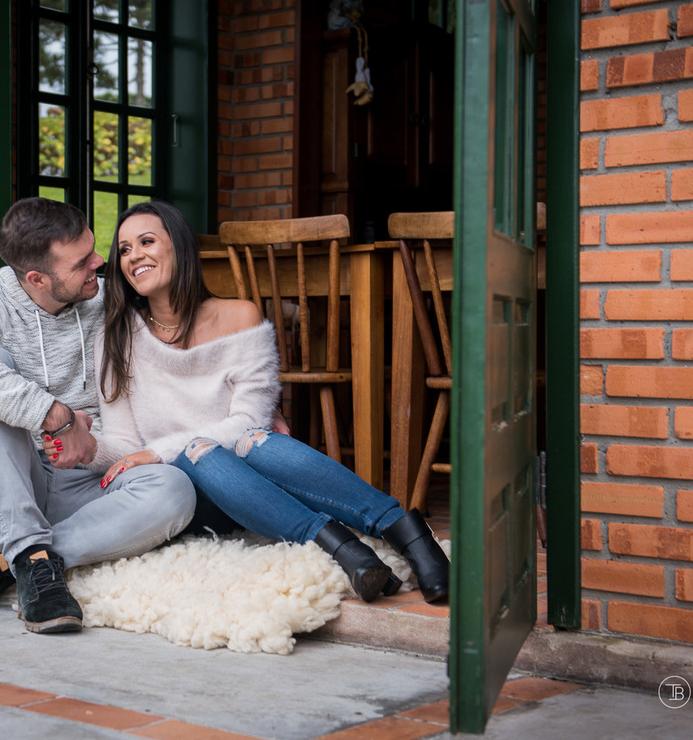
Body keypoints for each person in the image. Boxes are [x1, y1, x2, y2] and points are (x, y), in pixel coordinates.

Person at [55, 200, 449, 603]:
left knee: (253, 438)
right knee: (199, 451)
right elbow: (124, 441)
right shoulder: (119, 334)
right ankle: (344, 547)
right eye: (123, 249)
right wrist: (80, 443)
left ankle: (407, 538)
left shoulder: (240, 317)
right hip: (191, 492)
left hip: (251, 474)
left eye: (146, 241)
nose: (133, 254)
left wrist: (158, 450)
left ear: (179, 246)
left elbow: (249, 421)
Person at [0, 197, 197, 633]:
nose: (100, 264)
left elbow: (185, 335)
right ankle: (22, 544)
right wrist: (53, 414)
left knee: (174, 489)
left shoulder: (104, 297)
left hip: (85, 484)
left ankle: (16, 561)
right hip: (4, 490)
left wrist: (253, 398)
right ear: (37, 278)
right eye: (83, 262)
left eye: (94, 250)